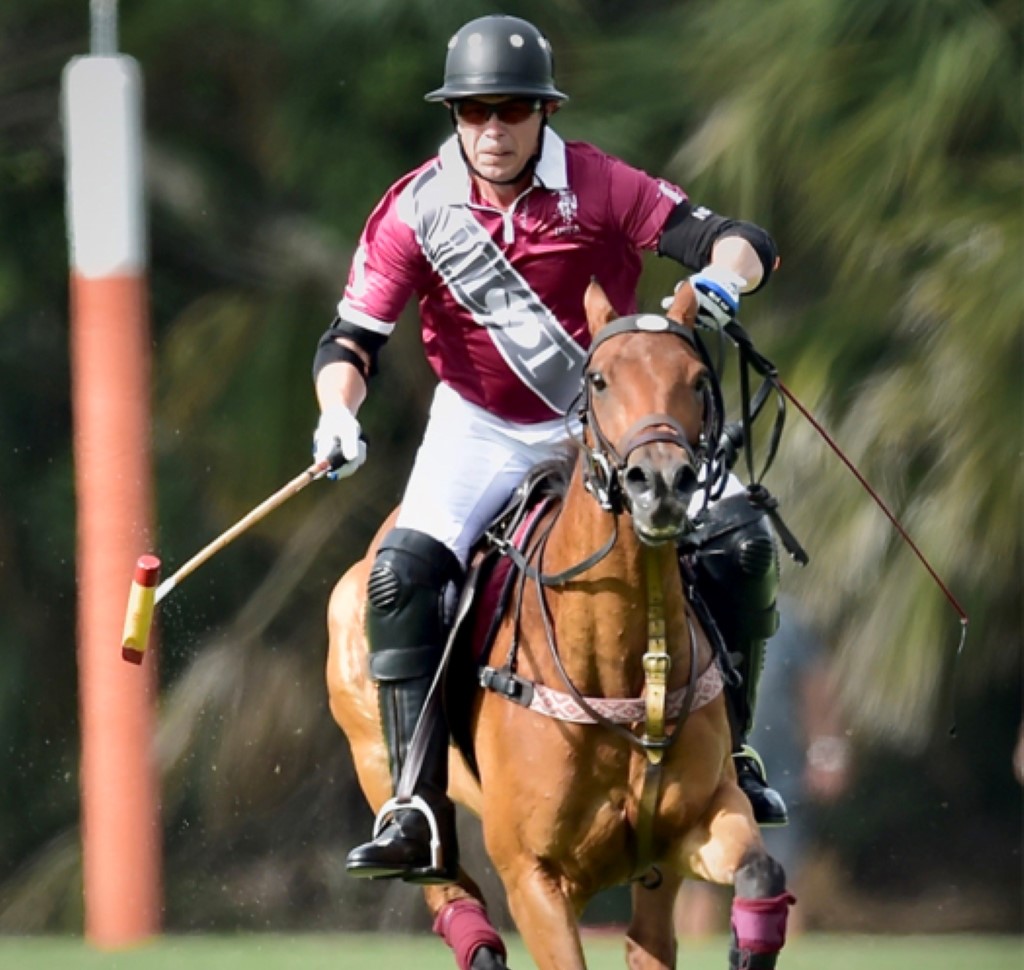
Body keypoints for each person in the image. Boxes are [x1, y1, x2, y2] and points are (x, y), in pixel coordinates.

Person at [311, 14, 786, 885]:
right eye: (475, 110)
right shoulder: (415, 208)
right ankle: (414, 803)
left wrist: (719, 279)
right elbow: (351, 340)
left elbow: (739, 239)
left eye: (513, 110)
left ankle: (736, 756)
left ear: (544, 111)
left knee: (744, 543)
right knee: (400, 574)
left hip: (613, 419)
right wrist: (337, 414)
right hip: (480, 423)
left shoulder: (601, 184)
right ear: (455, 116)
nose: (493, 129)